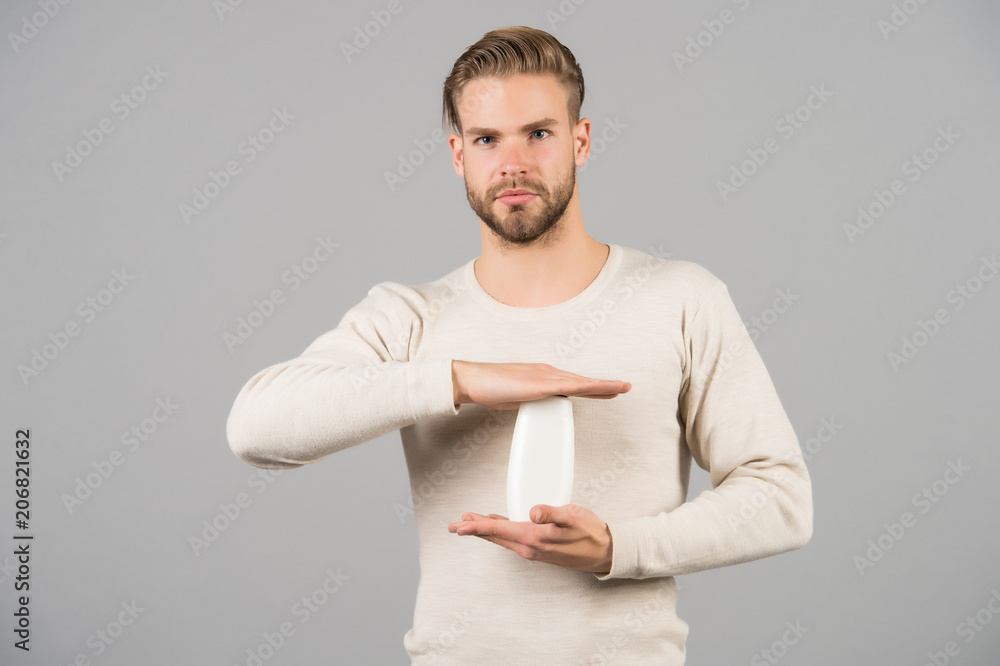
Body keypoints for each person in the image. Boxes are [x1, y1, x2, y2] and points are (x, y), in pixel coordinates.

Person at [226, 25, 813, 665]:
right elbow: (257, 428)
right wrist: (459, 380)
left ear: (580, 140)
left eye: (538, 133)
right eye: (487, 139)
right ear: (458, 154)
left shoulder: (680, 299)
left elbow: (780, 498)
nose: (513, 163)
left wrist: (617, 547)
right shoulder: (410, 317)